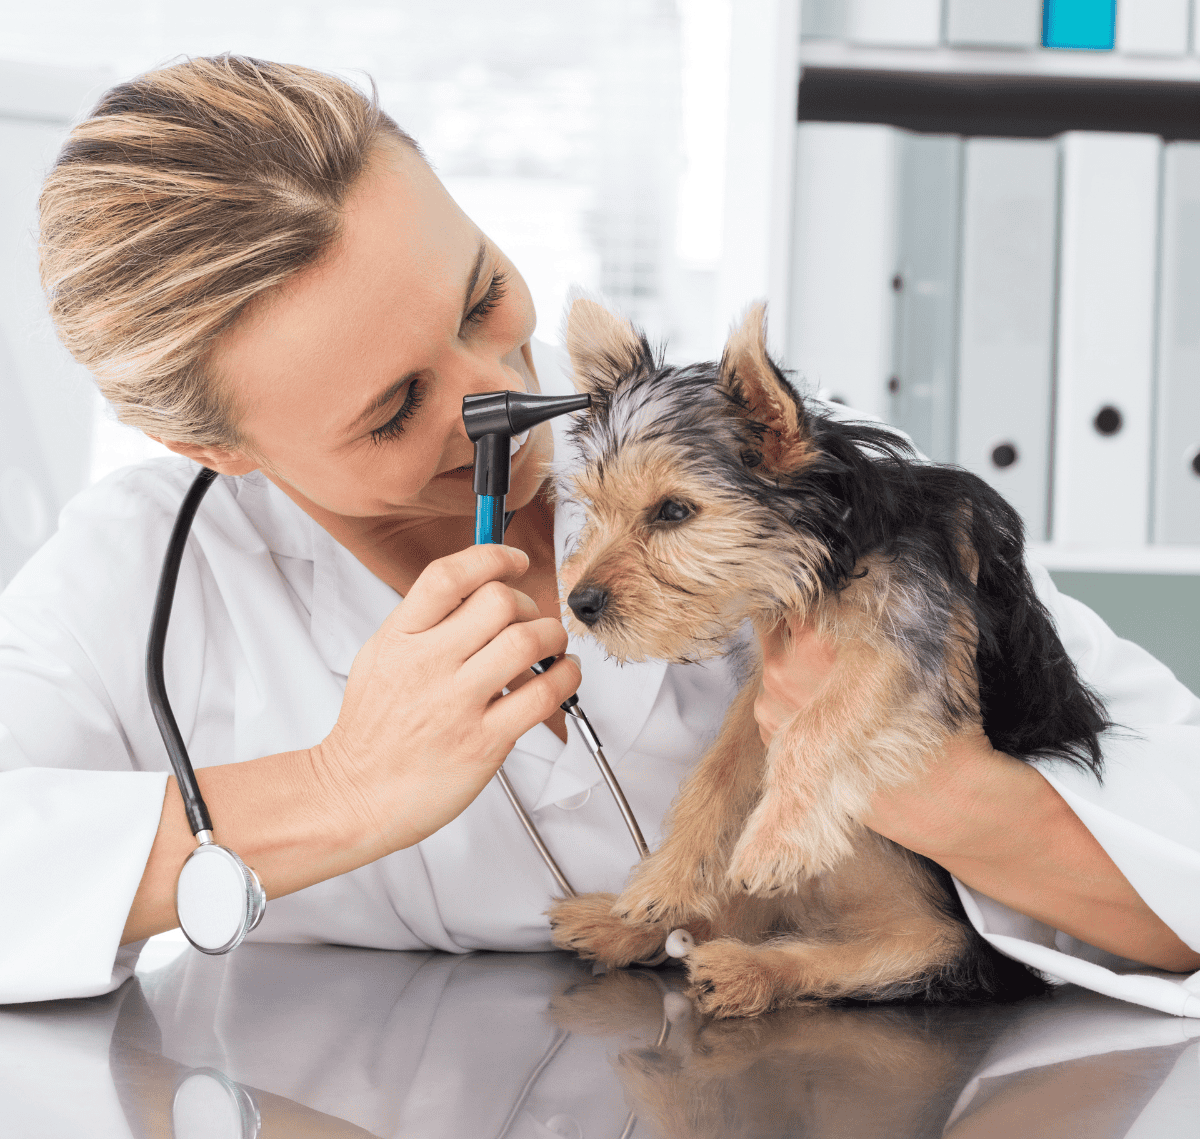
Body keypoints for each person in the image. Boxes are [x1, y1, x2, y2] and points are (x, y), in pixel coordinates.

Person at [1, 56, 1197, 1009]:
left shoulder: (719, 455)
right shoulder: (139, 576)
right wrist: (337, 788)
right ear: (217, 448)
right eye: (395, 408)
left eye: (483, 296)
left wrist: (921, 784)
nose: (502, 399)